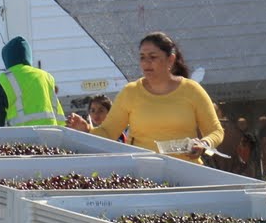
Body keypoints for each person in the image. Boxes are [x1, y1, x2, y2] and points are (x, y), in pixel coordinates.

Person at [66, 32, 223, 162]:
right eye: (142, 57)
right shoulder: (131, 92)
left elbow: (216, 131)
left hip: (189, 171)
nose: (146, 63)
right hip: (144, 173)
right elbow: (108, 133)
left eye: (153, 57)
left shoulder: (192, 90)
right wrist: (87, 130)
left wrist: (204, 143)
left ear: (171, 59)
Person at [0, 35, 65, 127]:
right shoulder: (46, 77)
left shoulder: (2, 80)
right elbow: (60, 117)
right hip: (52, 137)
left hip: (22, 138)